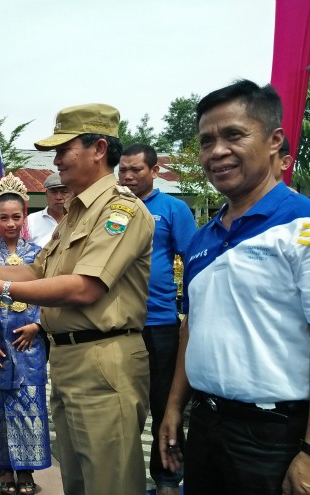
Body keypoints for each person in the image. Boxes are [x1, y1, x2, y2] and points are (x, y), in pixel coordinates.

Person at [0, 103, 154, 495]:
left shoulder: (121, 211)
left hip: (104, 358)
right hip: (69, 359)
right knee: (78, 480)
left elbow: (84, 287)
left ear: (98, 148)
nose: (55, 161)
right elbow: (37, 272)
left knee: (109, 481)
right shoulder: (75, 214)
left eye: (63, 149)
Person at [158, 80, 310, 495]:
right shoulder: (202, 240)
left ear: (274, 140)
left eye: (234, 135)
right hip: (207, 423)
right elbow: (192, 325)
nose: (217, 151)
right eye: (207, 141)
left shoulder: (301, 225)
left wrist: (309, 452)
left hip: (275, 436)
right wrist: (174, 406)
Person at [118, 143, 196, 495]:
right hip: (120, 323)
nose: (129, 176)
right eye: (123, 170)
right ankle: (122, 476)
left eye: (136, 170)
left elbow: (194, 262)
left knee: (166, 404)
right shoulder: (115, 209)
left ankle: (166, 479)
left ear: (154, 171)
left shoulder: (173, 209)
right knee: (122, 405)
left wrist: (190, 313)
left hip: (161, 322)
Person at [0, 175, 50, 495]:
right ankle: (5, 467)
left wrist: (39, 326)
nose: (10, 223)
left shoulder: (38, 254)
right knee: (2, 408)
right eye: (4, 217)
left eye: (16, 217)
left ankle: (27, 469)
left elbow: (49, 294)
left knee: (31, 406)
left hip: (30, 344)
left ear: (24, 216)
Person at [27, 172, 70, 247]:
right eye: (54, 192)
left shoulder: (80, 219)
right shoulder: (31, 221)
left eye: (64, 192)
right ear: (46, 194)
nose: (58, 197)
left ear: (73, 193)